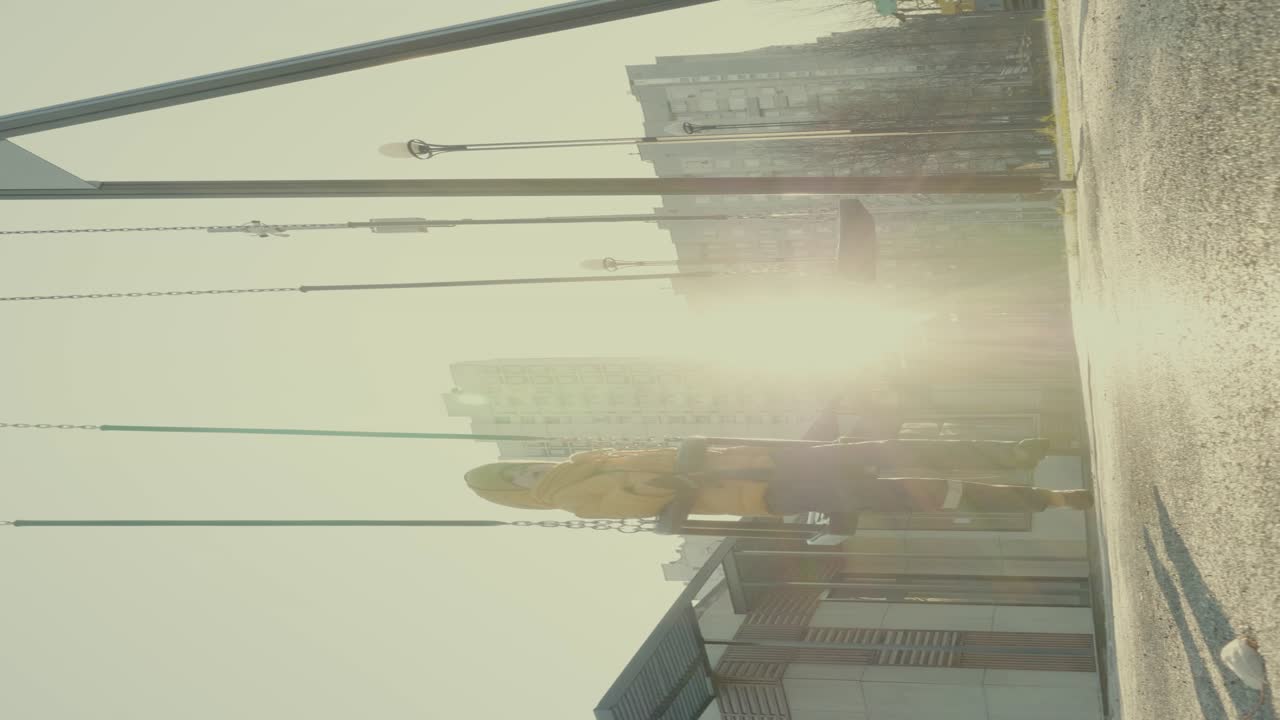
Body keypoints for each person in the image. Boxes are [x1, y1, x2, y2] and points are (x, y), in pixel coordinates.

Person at [464, 438, 1092, 520]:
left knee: (882, 447)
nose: (528, 470)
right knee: (901, 489)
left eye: (518, 462)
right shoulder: (576, 499)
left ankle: (1017, 452)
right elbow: (650, 498)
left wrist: (683, 451)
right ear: (518, 494)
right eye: (516, 477)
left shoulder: (588, 459)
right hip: (762, 491)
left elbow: (660, 458)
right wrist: (673, 471)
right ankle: (1049, 496)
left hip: (759, 458)